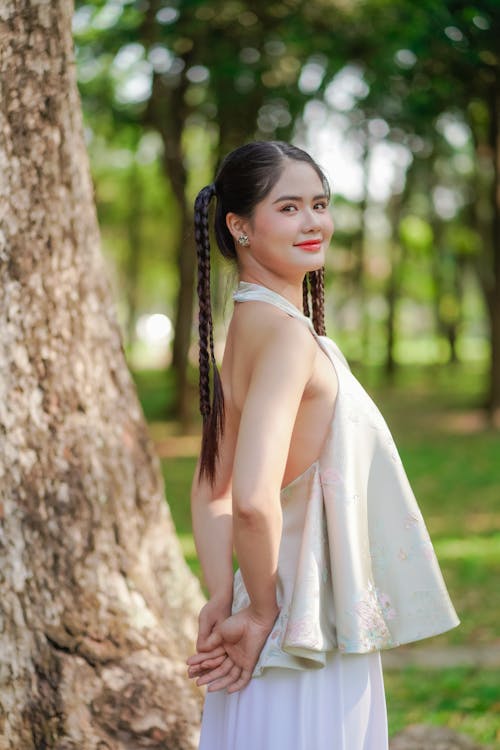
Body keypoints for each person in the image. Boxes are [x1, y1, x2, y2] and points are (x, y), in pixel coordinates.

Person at [186, 141, 460, 750]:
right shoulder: (284, 336)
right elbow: (250, 500)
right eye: (288, 207)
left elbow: (211, 485)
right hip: (299, 628)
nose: (313, 222)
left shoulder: (248, 322)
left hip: (276, 616)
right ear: (239, 226)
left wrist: (222, 594)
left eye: (320, 203)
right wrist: (259, 614)